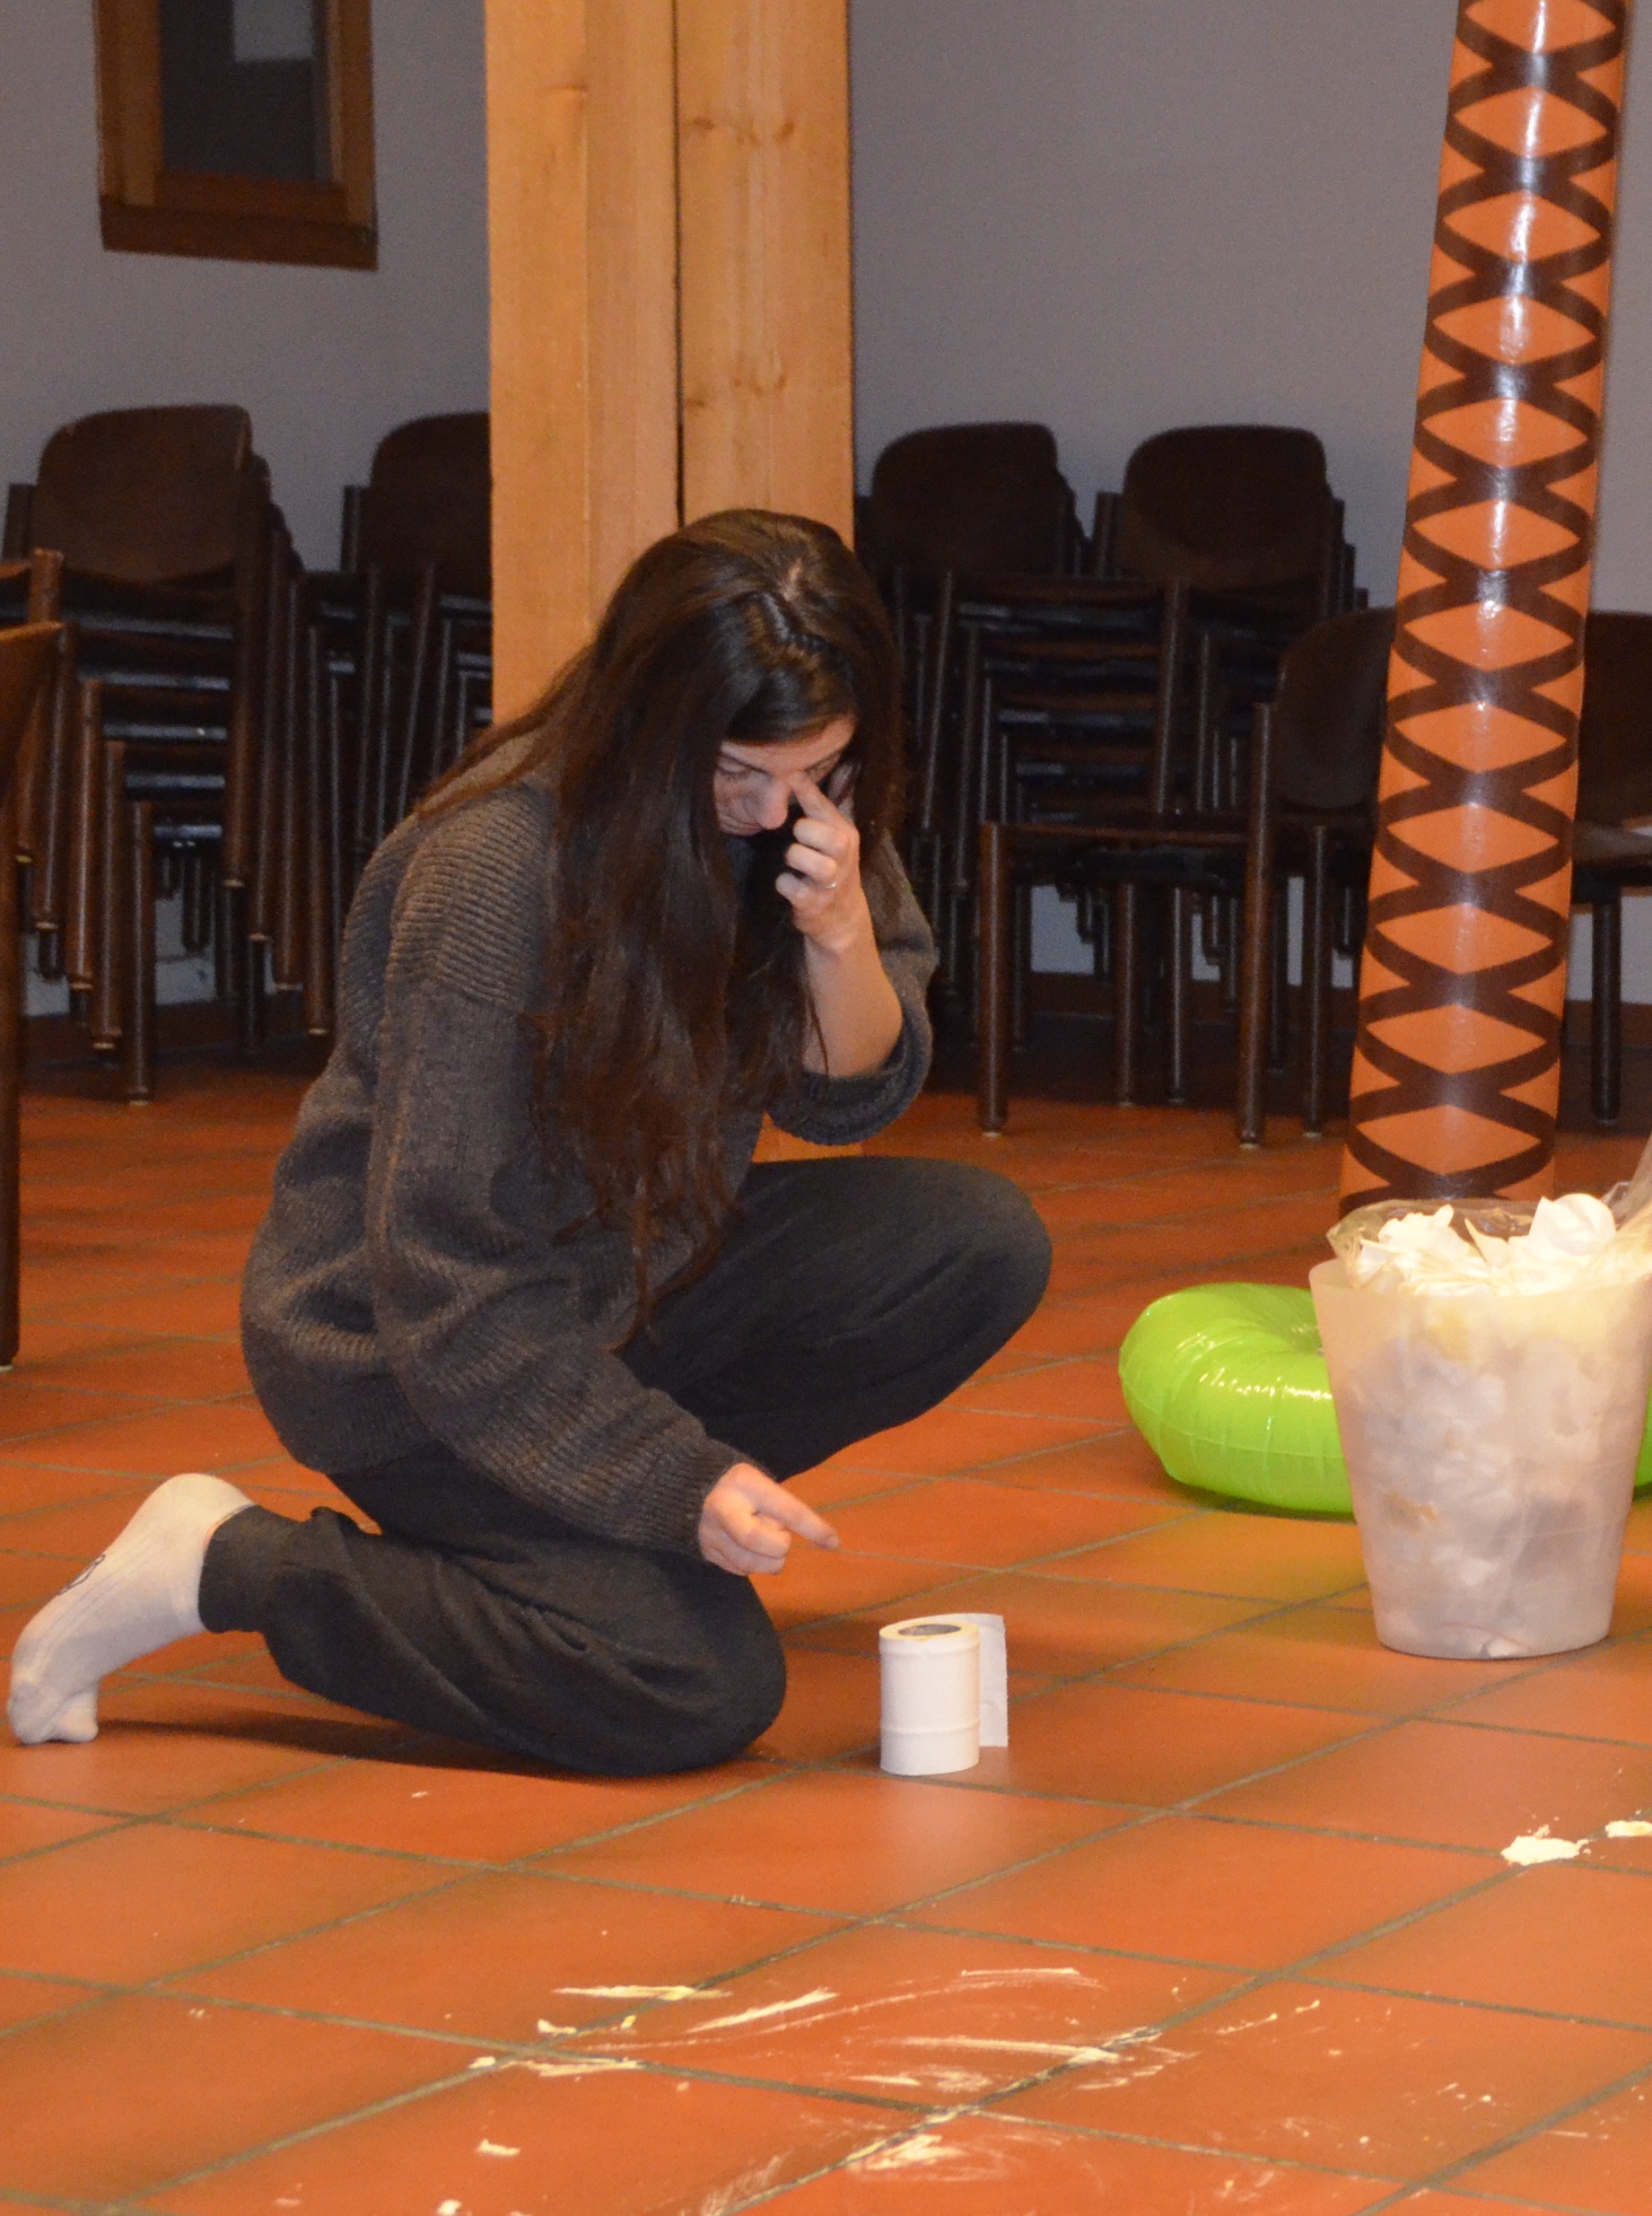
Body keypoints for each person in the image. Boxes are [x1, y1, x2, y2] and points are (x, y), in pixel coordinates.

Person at [7, 512, 1051, 1774]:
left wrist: (839, 940)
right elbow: (450, 1278)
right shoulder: (494, 868)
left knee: (974, 1244)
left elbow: (848, 1102)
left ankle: (567, 1526)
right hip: (403, 1349)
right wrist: (666, 1481)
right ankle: (225, 1560)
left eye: (817, 769)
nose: (773, 810)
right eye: (736, 773)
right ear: (648, 720)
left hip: (620, 1275)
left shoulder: (804, 815)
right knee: (692, 1685)